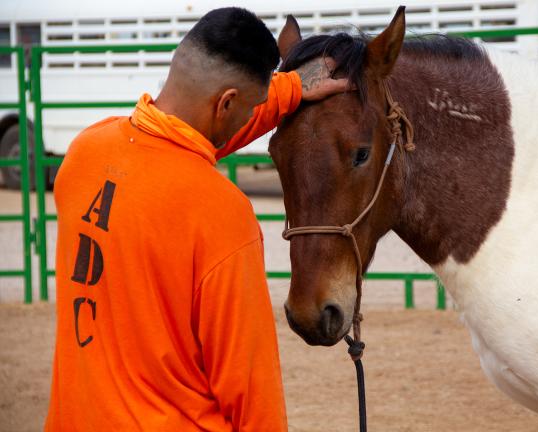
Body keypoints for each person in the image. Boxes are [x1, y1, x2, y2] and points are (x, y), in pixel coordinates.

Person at [45, 7, 349, 431]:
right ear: (226, 103)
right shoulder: (222, 214)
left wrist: (289, 89)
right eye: (250, 108)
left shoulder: (85, 152)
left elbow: (181, 143)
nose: (251, 117)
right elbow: (249, 389)